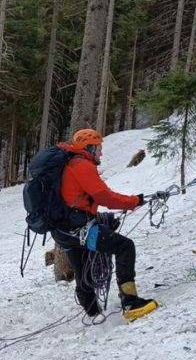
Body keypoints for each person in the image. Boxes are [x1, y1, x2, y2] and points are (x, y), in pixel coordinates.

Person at [52, 129, 159, 322]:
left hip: (63, 231)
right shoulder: (81, 165)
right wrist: (134, 201)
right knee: (124, 246)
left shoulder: (69, 164)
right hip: (80, 231)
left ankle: (93, 314)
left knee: (82, 269)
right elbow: (105, 197)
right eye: (99, 148)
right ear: (90, 147)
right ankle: (131, 303)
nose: (101, 153)